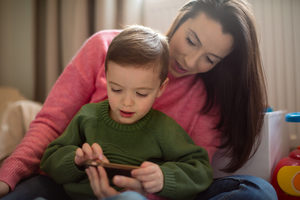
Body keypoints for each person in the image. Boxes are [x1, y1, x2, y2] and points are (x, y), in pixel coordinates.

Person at [0, 0, 278, 200]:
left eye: (210, 59)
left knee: (258, 191)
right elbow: (51, 124)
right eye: (191, 41)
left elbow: (194, 174)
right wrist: (8, 175)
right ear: (181, 18)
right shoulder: (105, 49)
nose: (190, 61)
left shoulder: (208, 99)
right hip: (70, 188)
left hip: (149, 195)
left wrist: (144, 189)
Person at [40, 25, 213, 200]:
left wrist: (164, 178)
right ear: (107, 79)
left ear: (161, 89)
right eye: (116, 89)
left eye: (141, 93)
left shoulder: (164, 128)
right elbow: (50, 159)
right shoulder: (88, 116)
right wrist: (76, 160)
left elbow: (201, 170)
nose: (127, 103)